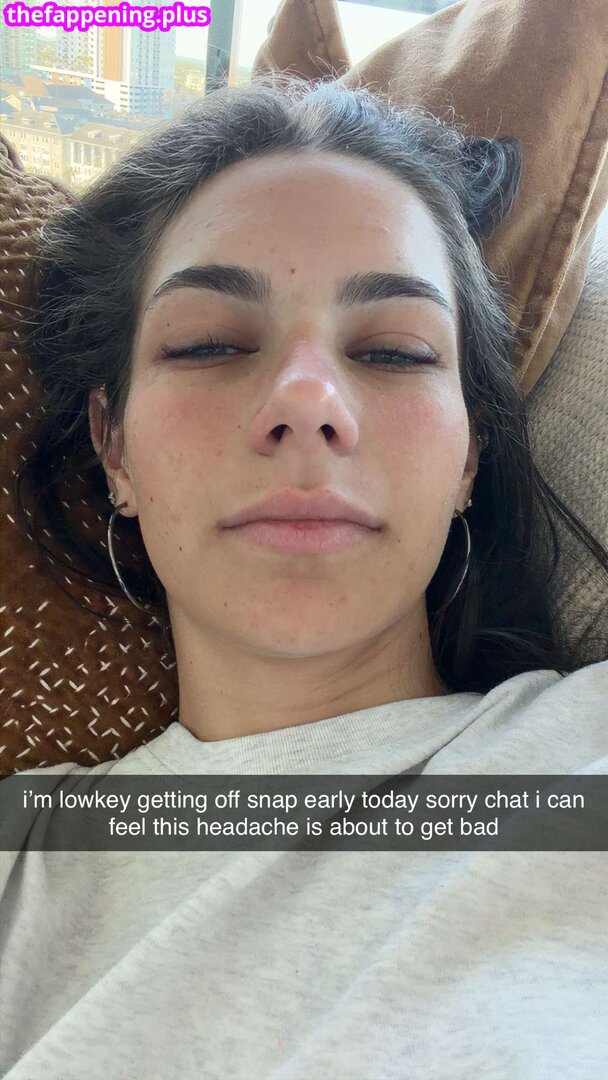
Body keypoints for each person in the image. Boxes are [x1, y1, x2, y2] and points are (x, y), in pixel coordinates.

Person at [1, 74, 607, 1079]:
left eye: (393, 351)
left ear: (469, 454)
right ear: (114, 448)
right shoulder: (24, 873)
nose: (306, 399)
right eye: (208, 344)